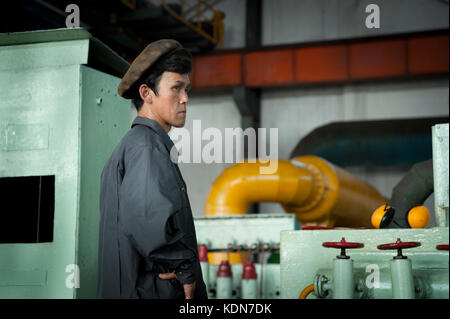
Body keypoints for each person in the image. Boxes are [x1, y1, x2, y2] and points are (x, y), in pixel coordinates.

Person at [97, 39, 207, 299]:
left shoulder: (139, 145)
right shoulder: (147, 148)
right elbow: (147, 221)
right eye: (176, 88)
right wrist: (185, 269)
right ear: (146, 94)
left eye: (187, 88)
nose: (185, 98)